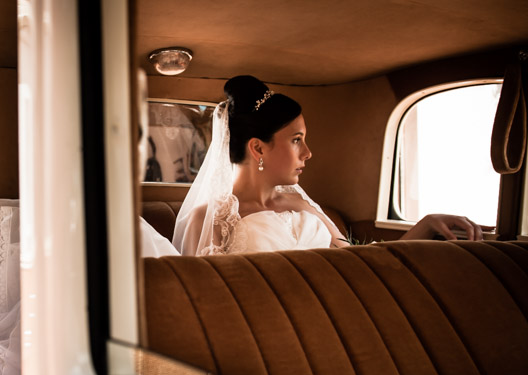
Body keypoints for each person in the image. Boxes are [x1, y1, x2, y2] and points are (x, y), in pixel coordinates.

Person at [172, 75, 483, 256]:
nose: (308, 153)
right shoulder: (208, 220)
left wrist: (426, 225)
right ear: (258, 148)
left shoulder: (301, 204)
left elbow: (361, 261)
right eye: (296, 140)